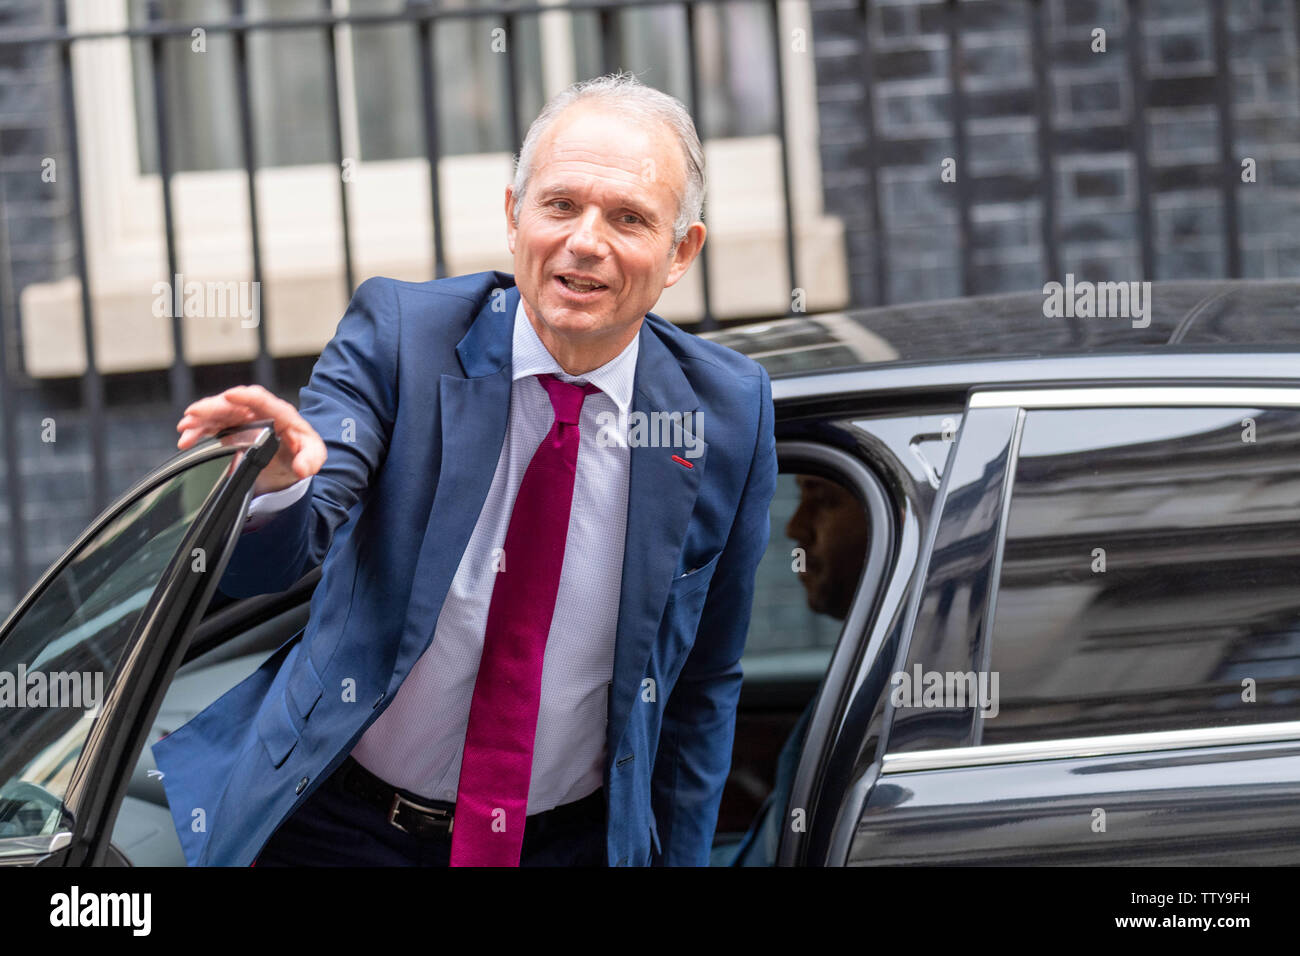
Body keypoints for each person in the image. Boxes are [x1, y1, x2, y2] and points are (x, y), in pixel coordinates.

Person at [151, 71, 778, 868]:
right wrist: (277, 486)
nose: (585, 241)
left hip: (569, 843)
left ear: (681, 251)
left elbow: (703, 682)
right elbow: (286, 544)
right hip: (342, 828)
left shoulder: (725, 411)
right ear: (514, 216)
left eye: (628, 218)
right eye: (560, 205)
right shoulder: (404, 336)